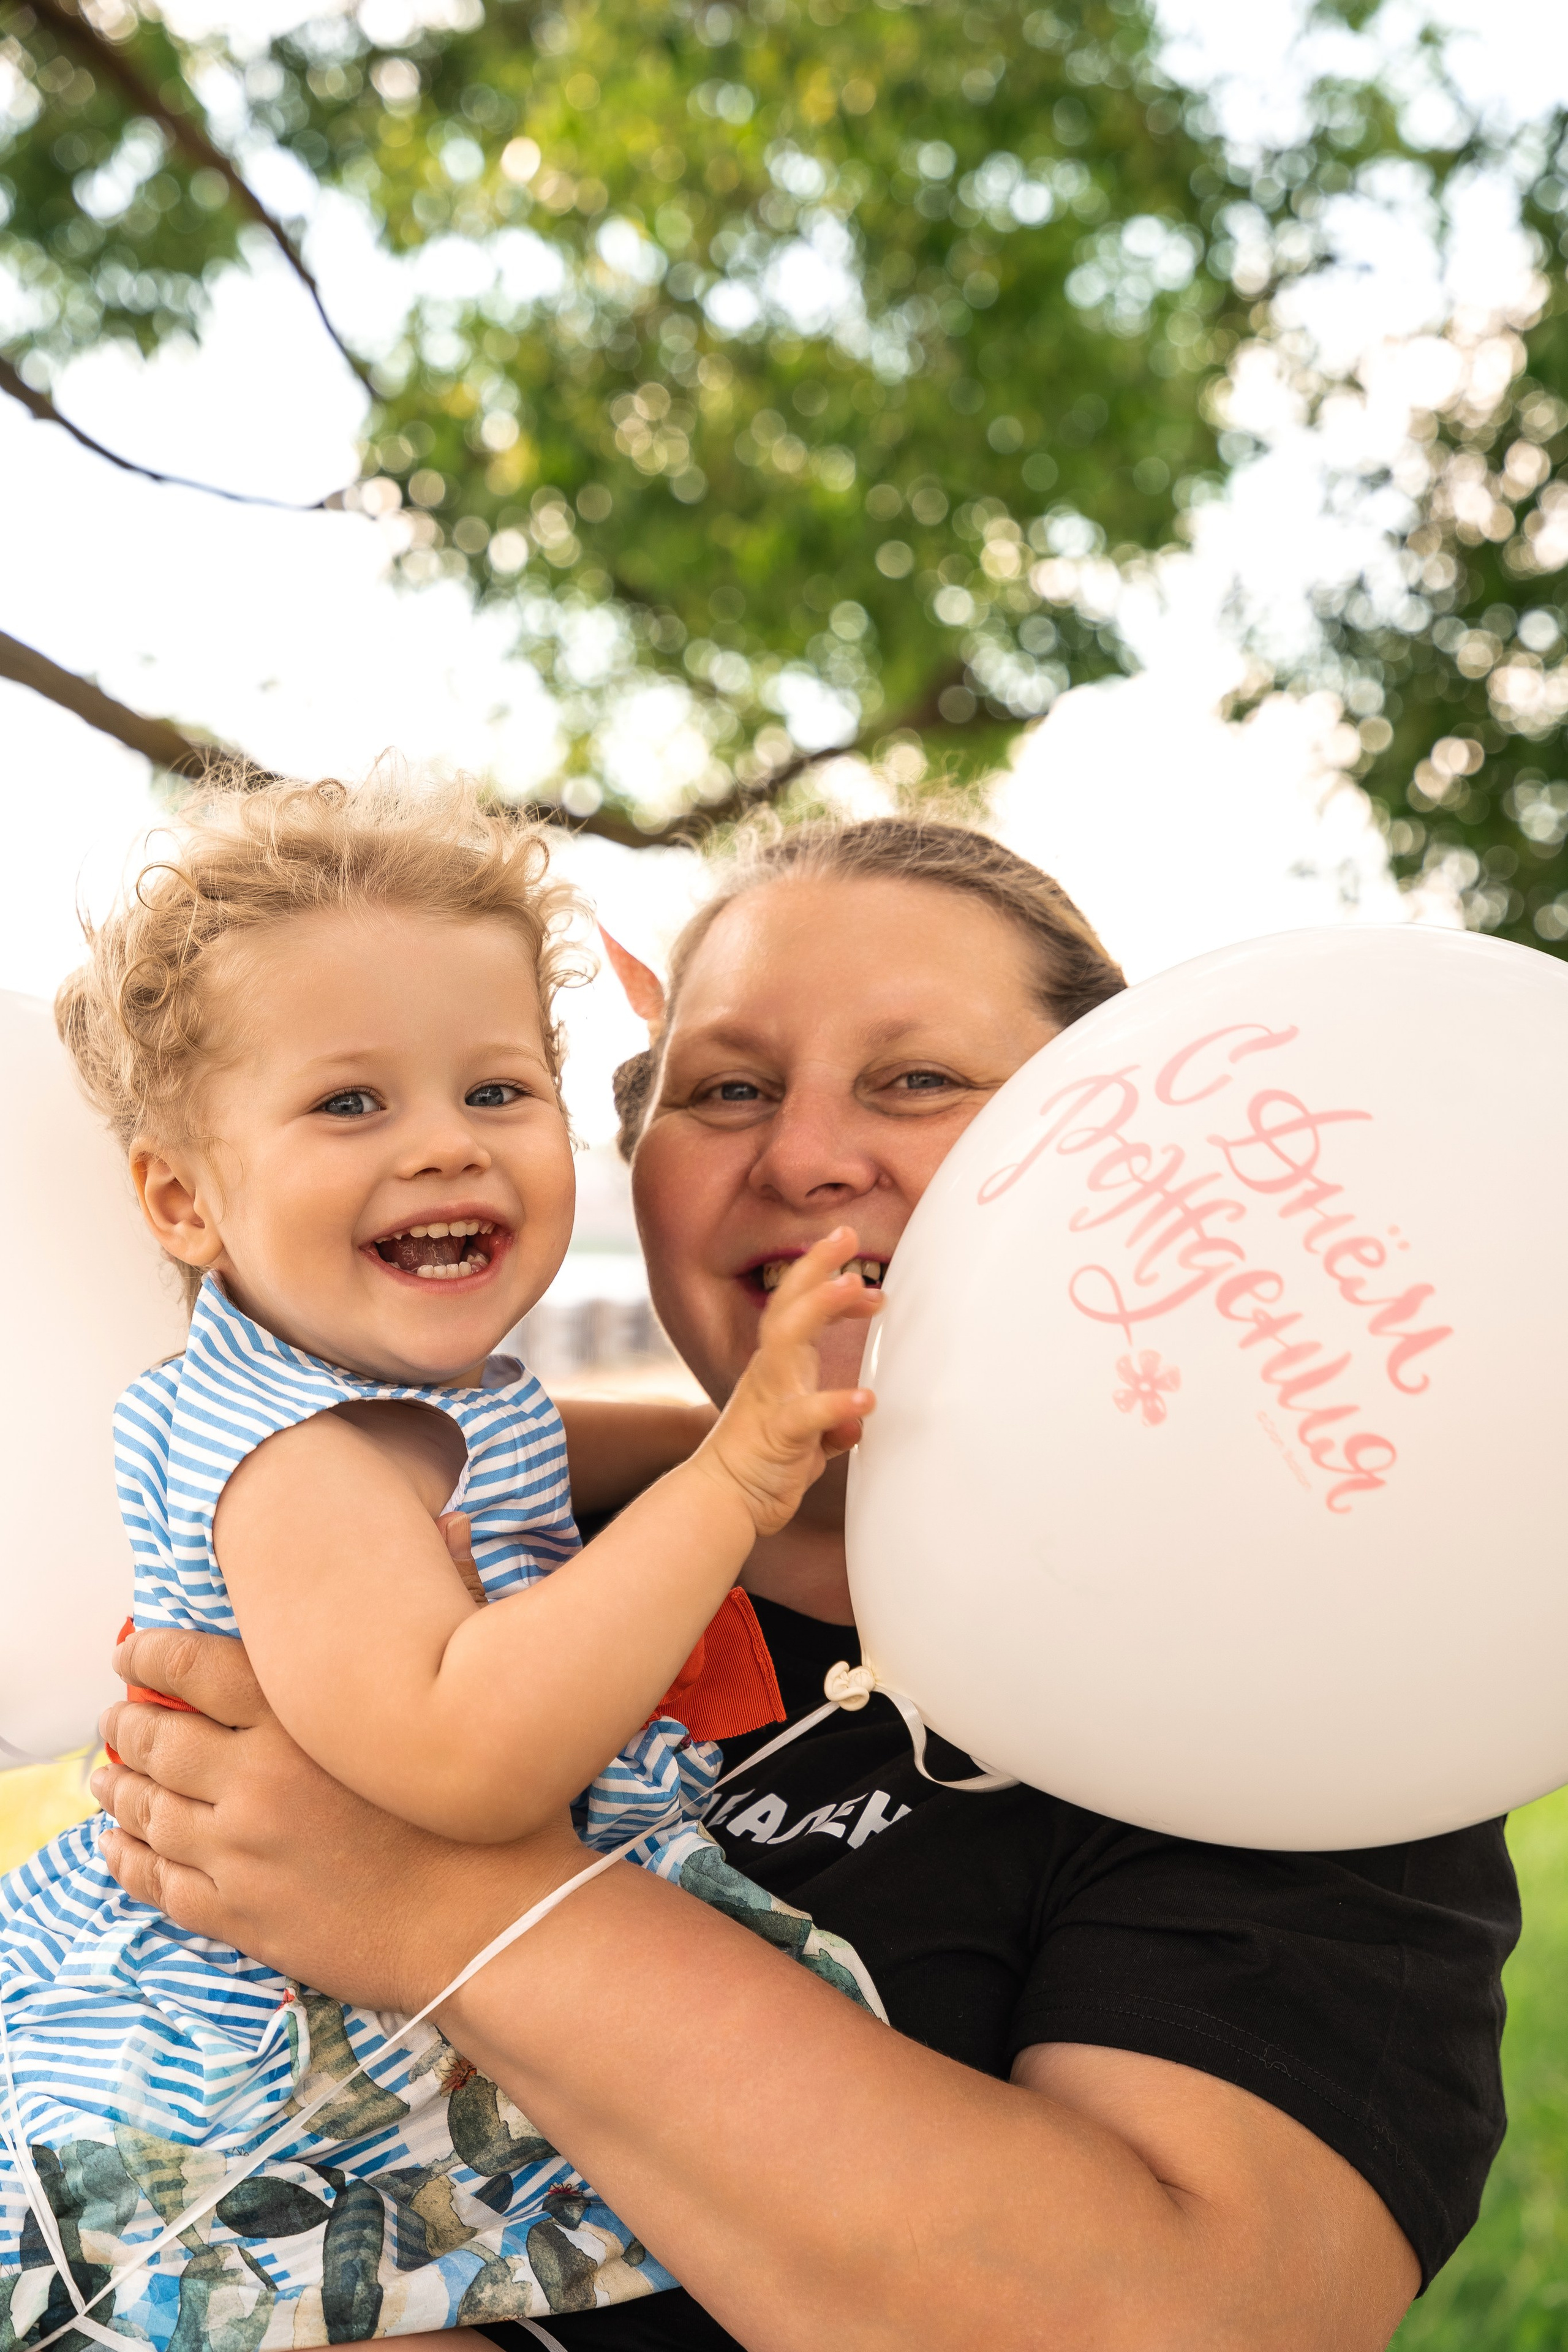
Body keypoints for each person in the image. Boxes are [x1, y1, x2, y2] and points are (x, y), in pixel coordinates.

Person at [93, 816, 1519, 2352]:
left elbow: (1186, 2321)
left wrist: (442, 1905)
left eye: (914, 1080)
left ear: (1106, 1151)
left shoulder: (1282, 1693)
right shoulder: (453, 1537)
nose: (803, 1158)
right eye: (726, 1091)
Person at [1, 774, 888, 2351]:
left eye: (494, 1091)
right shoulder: (302, 1464)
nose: (441, 1148)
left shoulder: (384, 1401)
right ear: (183, 1198)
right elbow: (467, 1757)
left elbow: (543, 1448)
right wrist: (735, 1479)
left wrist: (748, 1425)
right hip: (279, 2081)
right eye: (351, 1105)